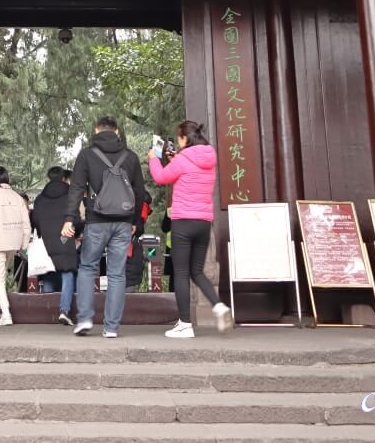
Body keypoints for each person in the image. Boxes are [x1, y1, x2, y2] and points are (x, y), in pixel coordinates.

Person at [148, 120, 233, 338]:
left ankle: (185, 324)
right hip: (203, 223)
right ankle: (219, 305)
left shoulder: (183, 159)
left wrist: (153, 160)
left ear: (185, 138)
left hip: (183, 223)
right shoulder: (209, 159)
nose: (177, 142)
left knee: (182, 273)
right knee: (197, 271)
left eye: (179, 138)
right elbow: (189, 171)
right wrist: (175, 160)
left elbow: (160, 177)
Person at [62, 116, 144, 338]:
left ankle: (86, 319)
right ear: (117, 132)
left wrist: (70, 218)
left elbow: (77, 189)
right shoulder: (131, 157)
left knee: (88, 268)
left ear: (96, 130)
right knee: (117, 274)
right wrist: (136, 222)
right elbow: (140, 194)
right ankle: (111, 328)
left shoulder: (87, 155)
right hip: (123, 222)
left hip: (97, 220)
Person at [0, 166, 31, 326]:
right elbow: (26, 223)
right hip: (14, 242)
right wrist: (23, 243)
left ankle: (6, 313)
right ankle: (6, 311)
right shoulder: (17, 197)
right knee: (4, 275)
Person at [32, 166, 80, 325]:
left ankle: (47, 314)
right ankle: (64, 311)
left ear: (48, 177)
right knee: (67, 273)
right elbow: (77, 220)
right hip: (65, 239)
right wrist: (76, 232)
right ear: (63, 178)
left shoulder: (40, 198)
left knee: (48, 273)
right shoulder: (70, 196)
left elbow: (35, 221)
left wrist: (43, 232)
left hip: (47, 241)